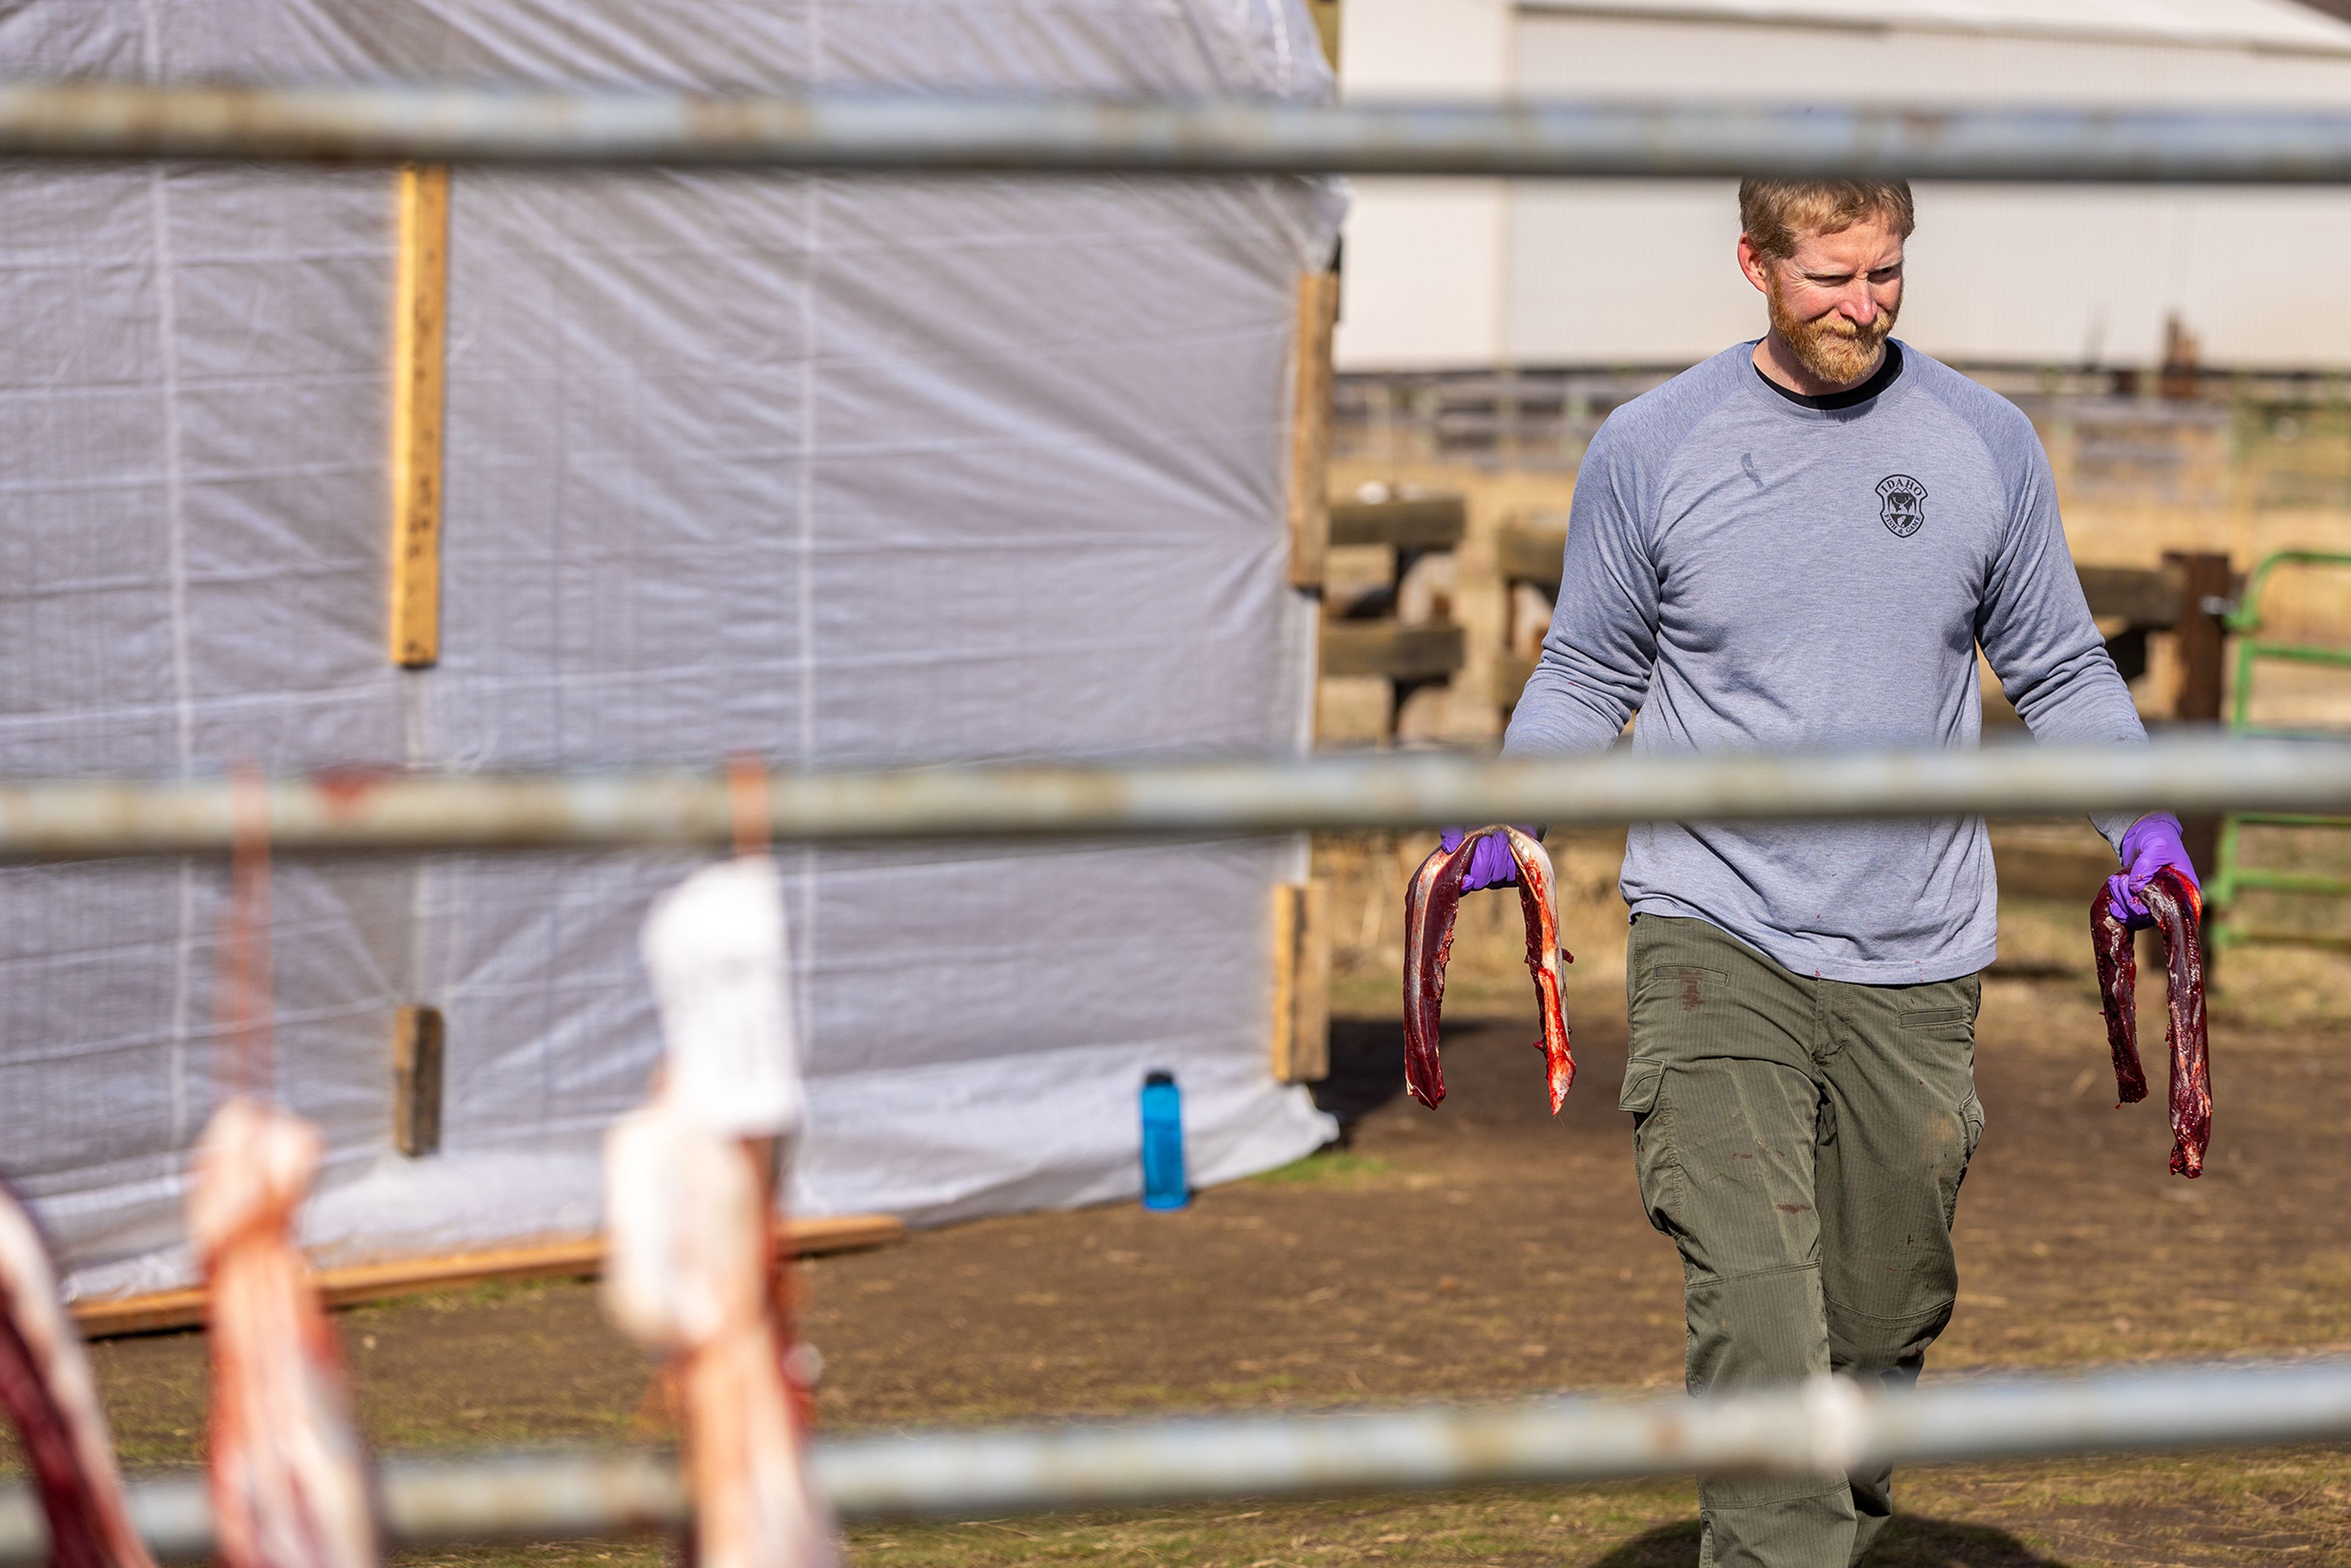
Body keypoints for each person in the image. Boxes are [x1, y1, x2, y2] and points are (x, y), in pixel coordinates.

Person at [1449, 179, 2199, 1568]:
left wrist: (2138, 820)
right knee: (1758, 1298)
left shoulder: (1983, 441)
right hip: (1711, 924)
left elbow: (2057, 660)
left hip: (1914, 944)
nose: (1865, 305)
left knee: (1880, 1311)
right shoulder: (1653, 445)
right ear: (1753, 263)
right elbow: (1589, 663)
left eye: (1888, 274)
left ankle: (1820, 1535)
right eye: (1831, 277)